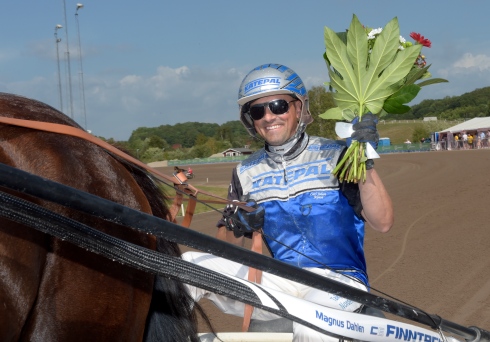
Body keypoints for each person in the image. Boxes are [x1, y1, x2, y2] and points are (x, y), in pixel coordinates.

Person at [182, 64, 394, 341]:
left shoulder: (338, 154)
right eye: (258, 111)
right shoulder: (245, 171)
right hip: (281, 281)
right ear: (250, 120)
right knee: (187, 263)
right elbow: (228, 247)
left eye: (279, 106)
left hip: (340, 282)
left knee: (310, 322)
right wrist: (237, 225)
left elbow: (383, 222)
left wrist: (364, 160)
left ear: (299, 108)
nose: (269, 116)